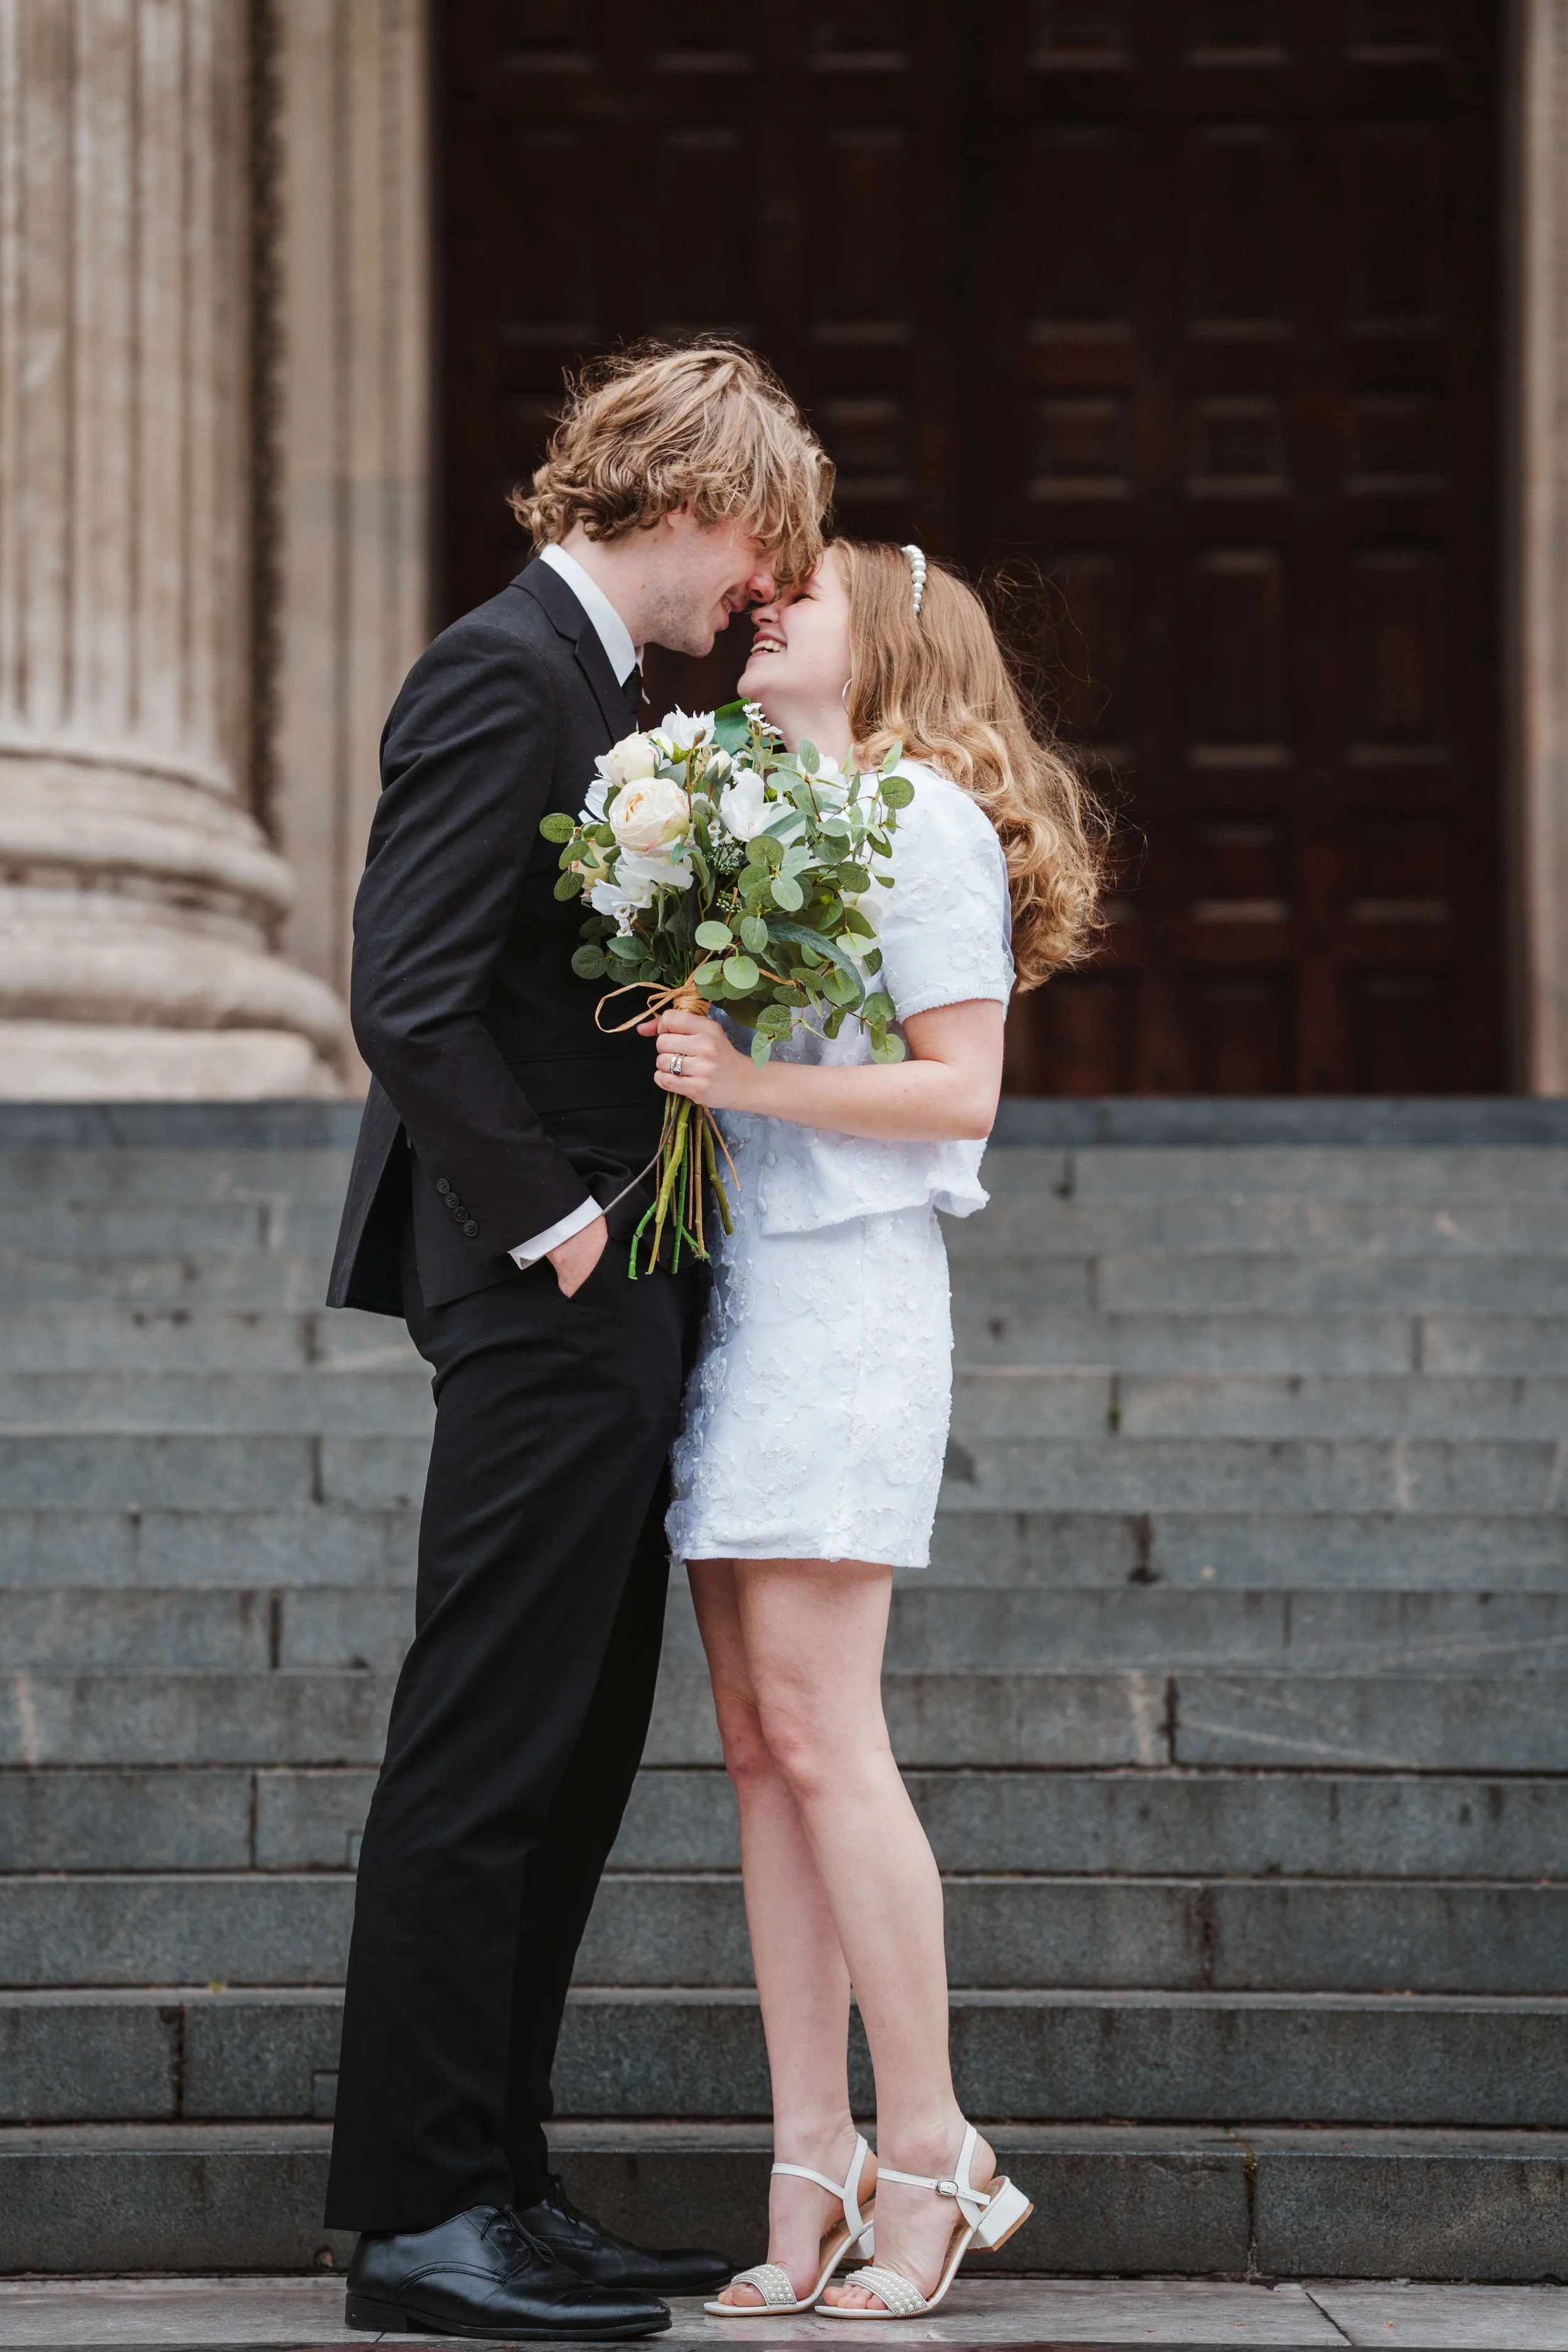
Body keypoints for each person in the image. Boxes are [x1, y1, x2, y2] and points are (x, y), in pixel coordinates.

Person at [322, 341, 833, 2342]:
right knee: (487, 1738)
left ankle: (497, 2175)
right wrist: (562, 1232)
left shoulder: (607, 694)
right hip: (548, 1288)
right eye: (761, 547)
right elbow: (409, 995)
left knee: (575, 1740)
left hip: (617, 1294)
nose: (756, 598)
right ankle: (420, 2214)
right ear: (700, 498)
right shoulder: (497, 671)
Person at [650, 540, 1106, 2321]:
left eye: (810, 594)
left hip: (843, 1303)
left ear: (896, 646)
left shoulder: (913, 814)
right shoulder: (760, 805)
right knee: (758, 1742)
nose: (770, 607)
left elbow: (959, 1083)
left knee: (828, 1734)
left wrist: (743, 1076)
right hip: (738, 1293)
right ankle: (808, 2147)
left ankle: (931, 2142)